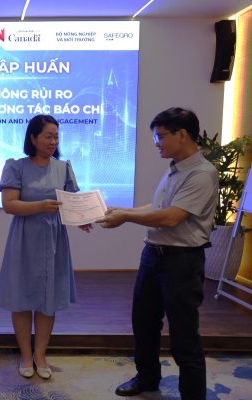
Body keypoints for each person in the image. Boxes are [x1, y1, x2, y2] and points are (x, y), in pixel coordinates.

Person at [97, 107, 218, 400]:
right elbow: (158, 208)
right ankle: (147, 379)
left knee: (184, 336)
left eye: (161, 136)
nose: (156, 143)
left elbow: (171, 218)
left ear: (182, 134)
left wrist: (126, 217)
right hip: (153, 255)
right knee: (144, 323)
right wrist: (123, 210)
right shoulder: (175, 168)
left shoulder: (202, 173)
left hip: (182, 261)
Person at [0, 115, 90, 379]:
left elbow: (72, 203)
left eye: (56, 136)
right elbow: (9, 205)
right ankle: (26, 355)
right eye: (48, 136)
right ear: (33, 138)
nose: (53, 141)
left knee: (48, 299)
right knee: (21, 298)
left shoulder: (63, 167)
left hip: (54, 240)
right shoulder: (16, 166)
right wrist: (39, 206)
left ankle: (40, 354)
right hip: (25, 239)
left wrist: (82, 219)